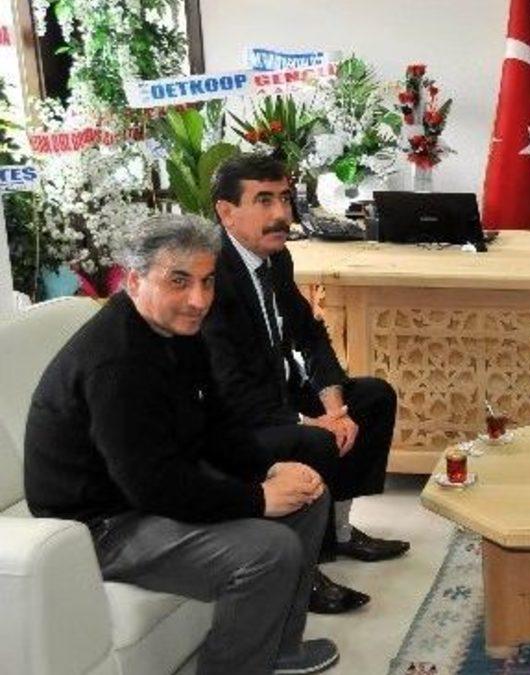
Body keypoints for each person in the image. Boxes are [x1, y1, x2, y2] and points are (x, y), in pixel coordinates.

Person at [23, 214, 339, 675]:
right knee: (269, 550)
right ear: (134, 280)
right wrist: (257, 498)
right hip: (101, 525)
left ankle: (279, 651)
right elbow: (153, 486)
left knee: (309, 496)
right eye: (179, 281)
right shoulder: (116, 362)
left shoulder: (178, 332)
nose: (198, 299)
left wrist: (268, 470)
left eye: (207, 281)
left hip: (145, 493)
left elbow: (216, 427)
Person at [202, 153, 408, 615]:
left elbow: (310, 334)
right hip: (234, 416)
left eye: (284, 198)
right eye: (264, 201)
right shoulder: (212, 274)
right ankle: (302, 568)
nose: (281, 214)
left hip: (277, 392)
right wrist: (308, 422)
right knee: (312, 439)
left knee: (372, 398)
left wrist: (334, 408)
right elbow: (229, 386)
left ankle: (340, 530)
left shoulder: (275, 257)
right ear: (226, 212)